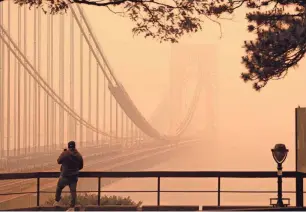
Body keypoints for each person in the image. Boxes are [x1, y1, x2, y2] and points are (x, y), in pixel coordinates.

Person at [53, 141, 83, 209]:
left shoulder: (65, 153)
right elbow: (81, 167)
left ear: (68, 146)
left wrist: (63, 152)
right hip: (74, 177)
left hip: (64, 176)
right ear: (74, 146)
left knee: (59, 187)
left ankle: (57, 201)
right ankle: (72, 206)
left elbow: (58, 161)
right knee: (73, 191)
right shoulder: (79, 155)